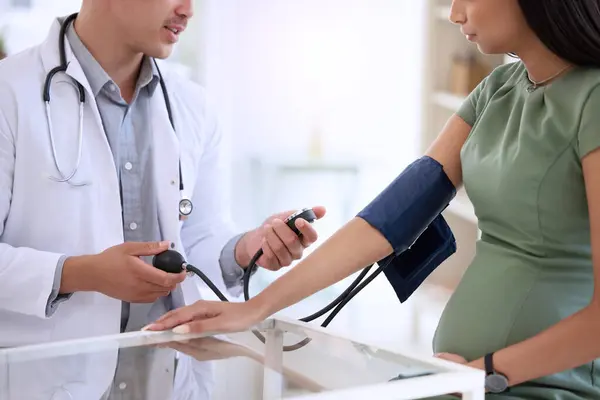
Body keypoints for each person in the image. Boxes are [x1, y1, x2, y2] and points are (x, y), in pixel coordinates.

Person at [145, 0, 600, 398]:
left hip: (544, 384)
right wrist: (257, 308)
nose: (457, 12)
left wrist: (488, 372)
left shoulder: (593, 99)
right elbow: (388, 218)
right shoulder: (497, 90)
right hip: (462, 380)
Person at [0, 1, 325, 399]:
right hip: (48, 382)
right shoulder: (9, 94)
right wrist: (82, 273)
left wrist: (247, 249)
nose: (188, 10)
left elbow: (199, 241)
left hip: (167, 383)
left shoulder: (193, 106)